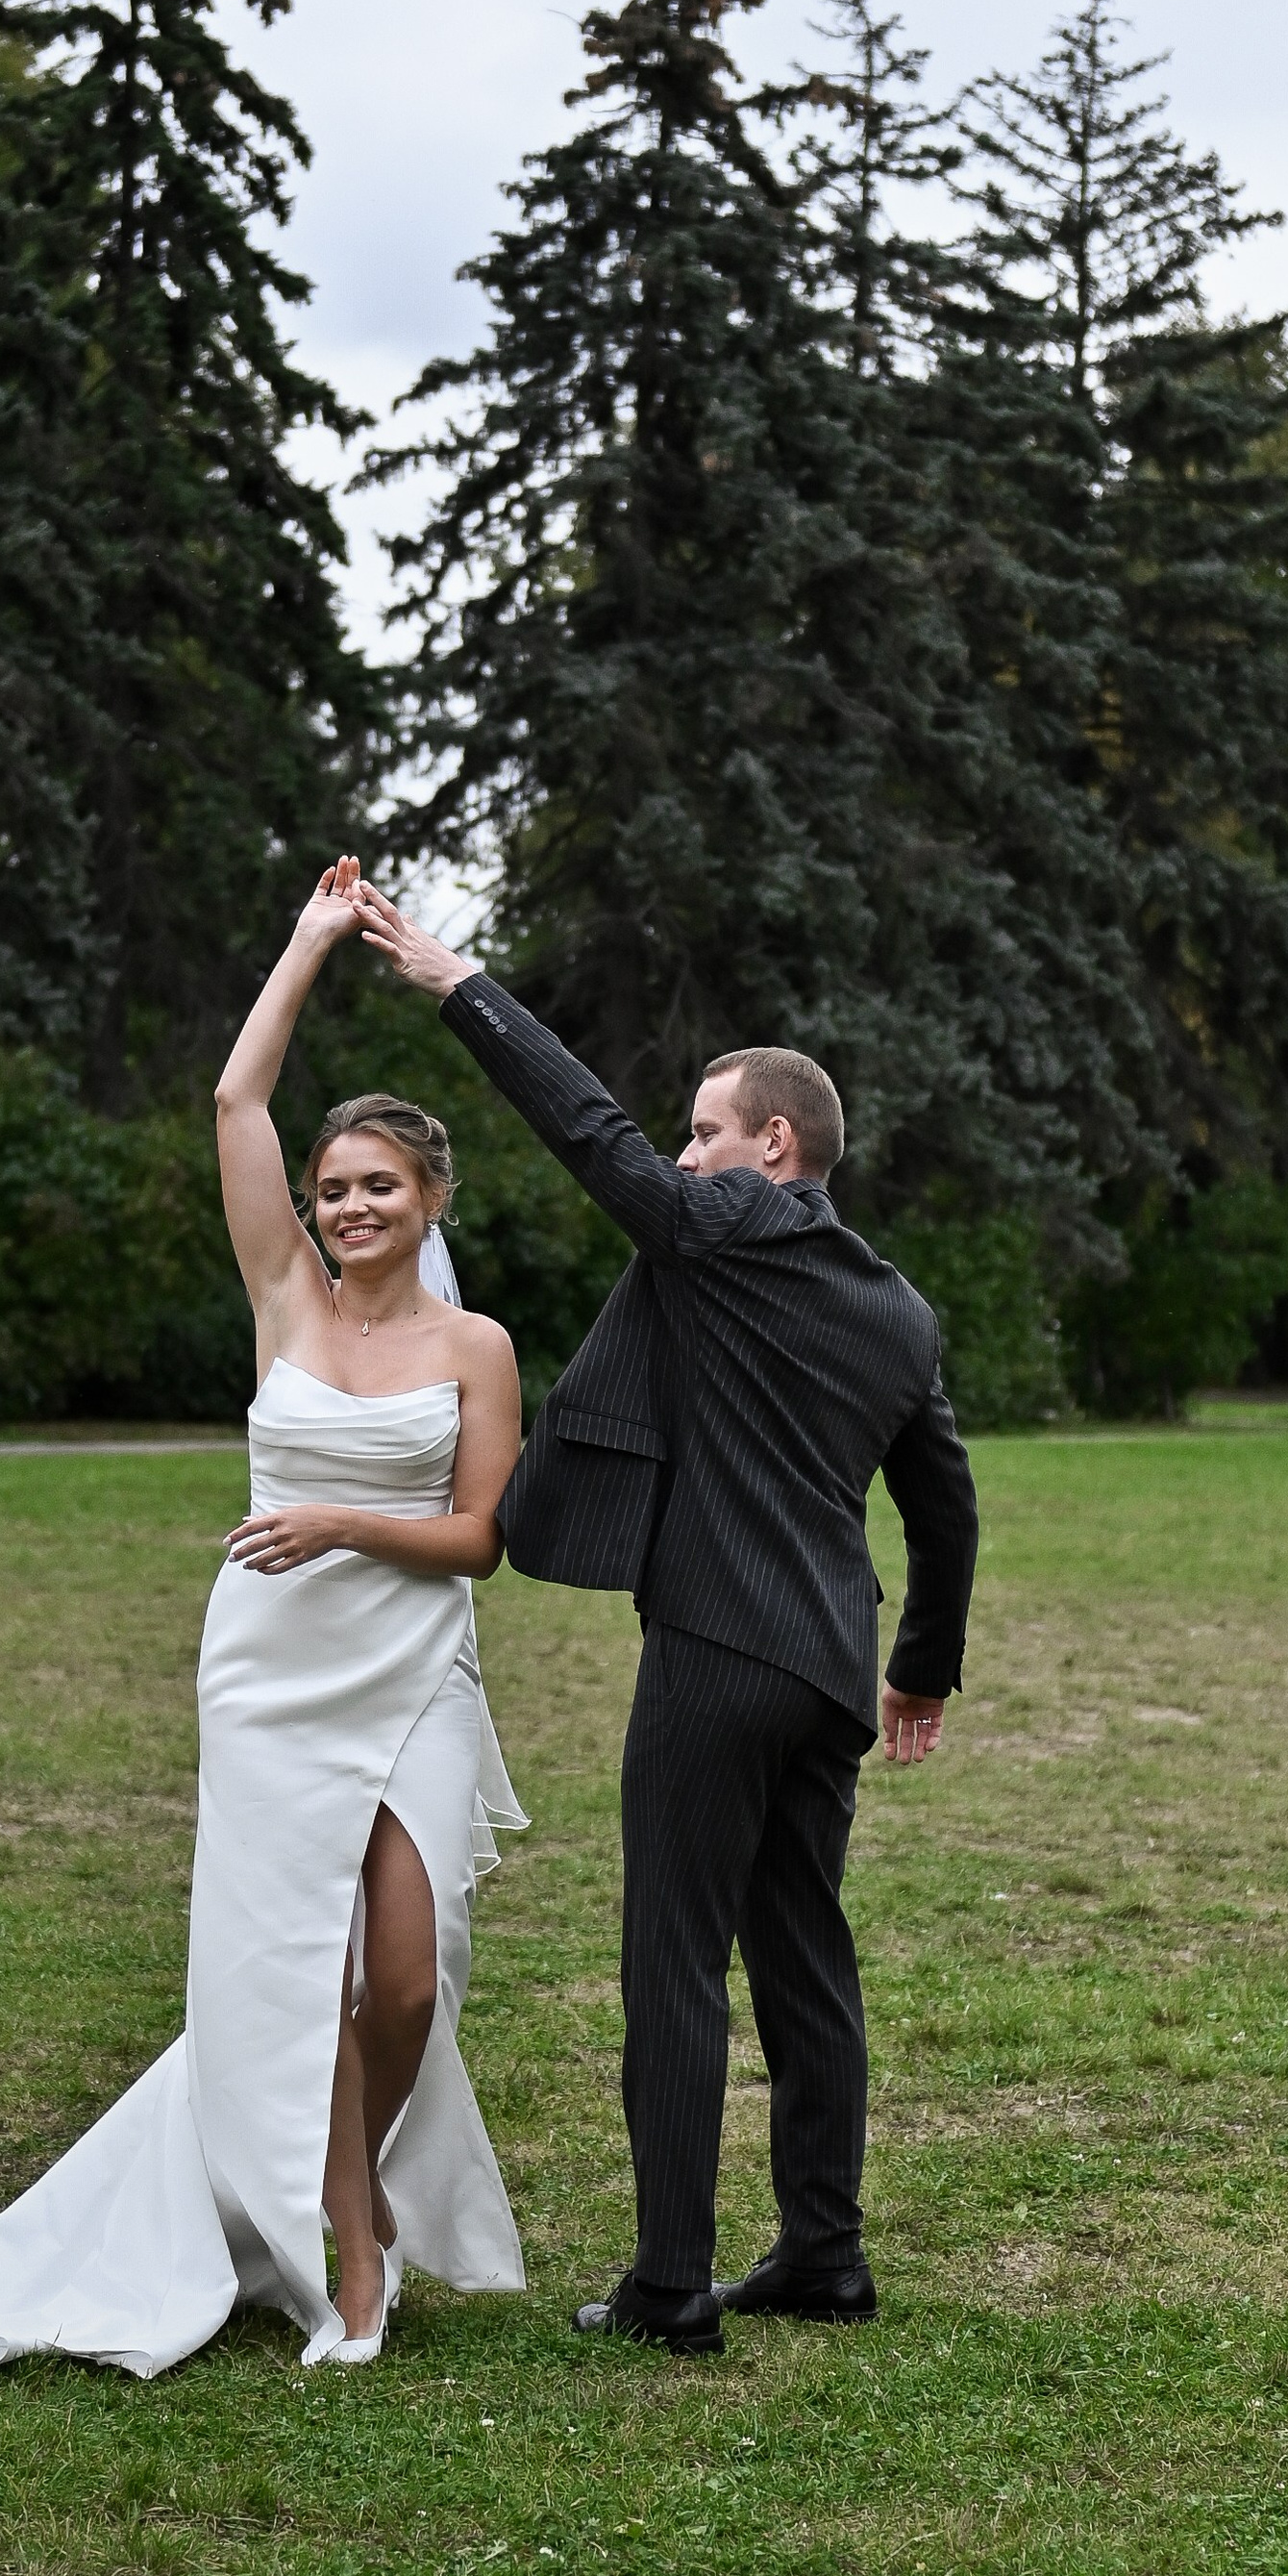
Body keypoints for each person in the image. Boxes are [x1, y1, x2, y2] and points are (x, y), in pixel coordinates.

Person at [0, 859, 529, 2381]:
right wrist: (305, 942)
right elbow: (238, 1103)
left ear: (431, 1200)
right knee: (304, 1965)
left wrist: (347, 1522)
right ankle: (353, 2257)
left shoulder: (475, 1343)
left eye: (380, 1186)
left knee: (412, 1974)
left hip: (415, 1663)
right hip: (271, 1674)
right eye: (334, 1187)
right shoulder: (285, 1303)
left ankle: (332, 2188)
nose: (350, 1206)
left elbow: (482, 1539)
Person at [354, 878, 978, 2359]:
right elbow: (946, 1506)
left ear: (776, 1146)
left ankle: (671, 2284)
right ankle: (824, 2254)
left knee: (673, 1960)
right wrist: (920, 1670)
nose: (683, 1156)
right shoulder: (897, 1310)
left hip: (713, 1648)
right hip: (828, 1665)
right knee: (806, 1958)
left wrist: (458, 985)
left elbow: (590, 1137)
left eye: (707, 1130)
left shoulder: (722, 1234)